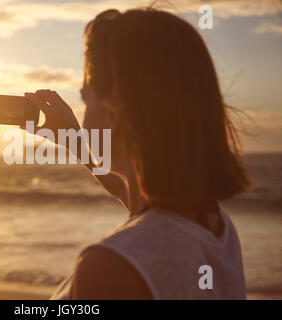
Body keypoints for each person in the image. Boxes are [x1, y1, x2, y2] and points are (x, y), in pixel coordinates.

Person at [22, 7, 250, 300]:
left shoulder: (112, 267)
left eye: (85, 97)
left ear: (112, 111)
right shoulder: (214, 227)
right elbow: (136, 196)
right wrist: (74, 141)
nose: (84, 109)